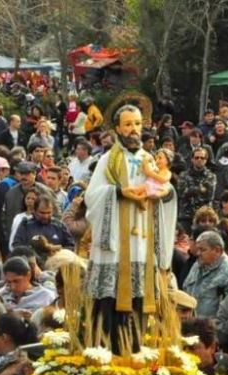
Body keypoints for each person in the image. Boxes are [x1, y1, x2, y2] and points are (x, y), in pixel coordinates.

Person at [84, 105, 177, 356]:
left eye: (137, 123)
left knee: (139, 305)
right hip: (115, 242)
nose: (134, 129)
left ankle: (135, 351)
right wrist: (118, 192)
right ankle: (109, 351)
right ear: (117, 128)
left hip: (142, 241)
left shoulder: (150, 159)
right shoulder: (109, 159)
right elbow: (92, 197)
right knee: (110, 303)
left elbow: (165, 188)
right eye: (128, 124)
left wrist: (165, 194)